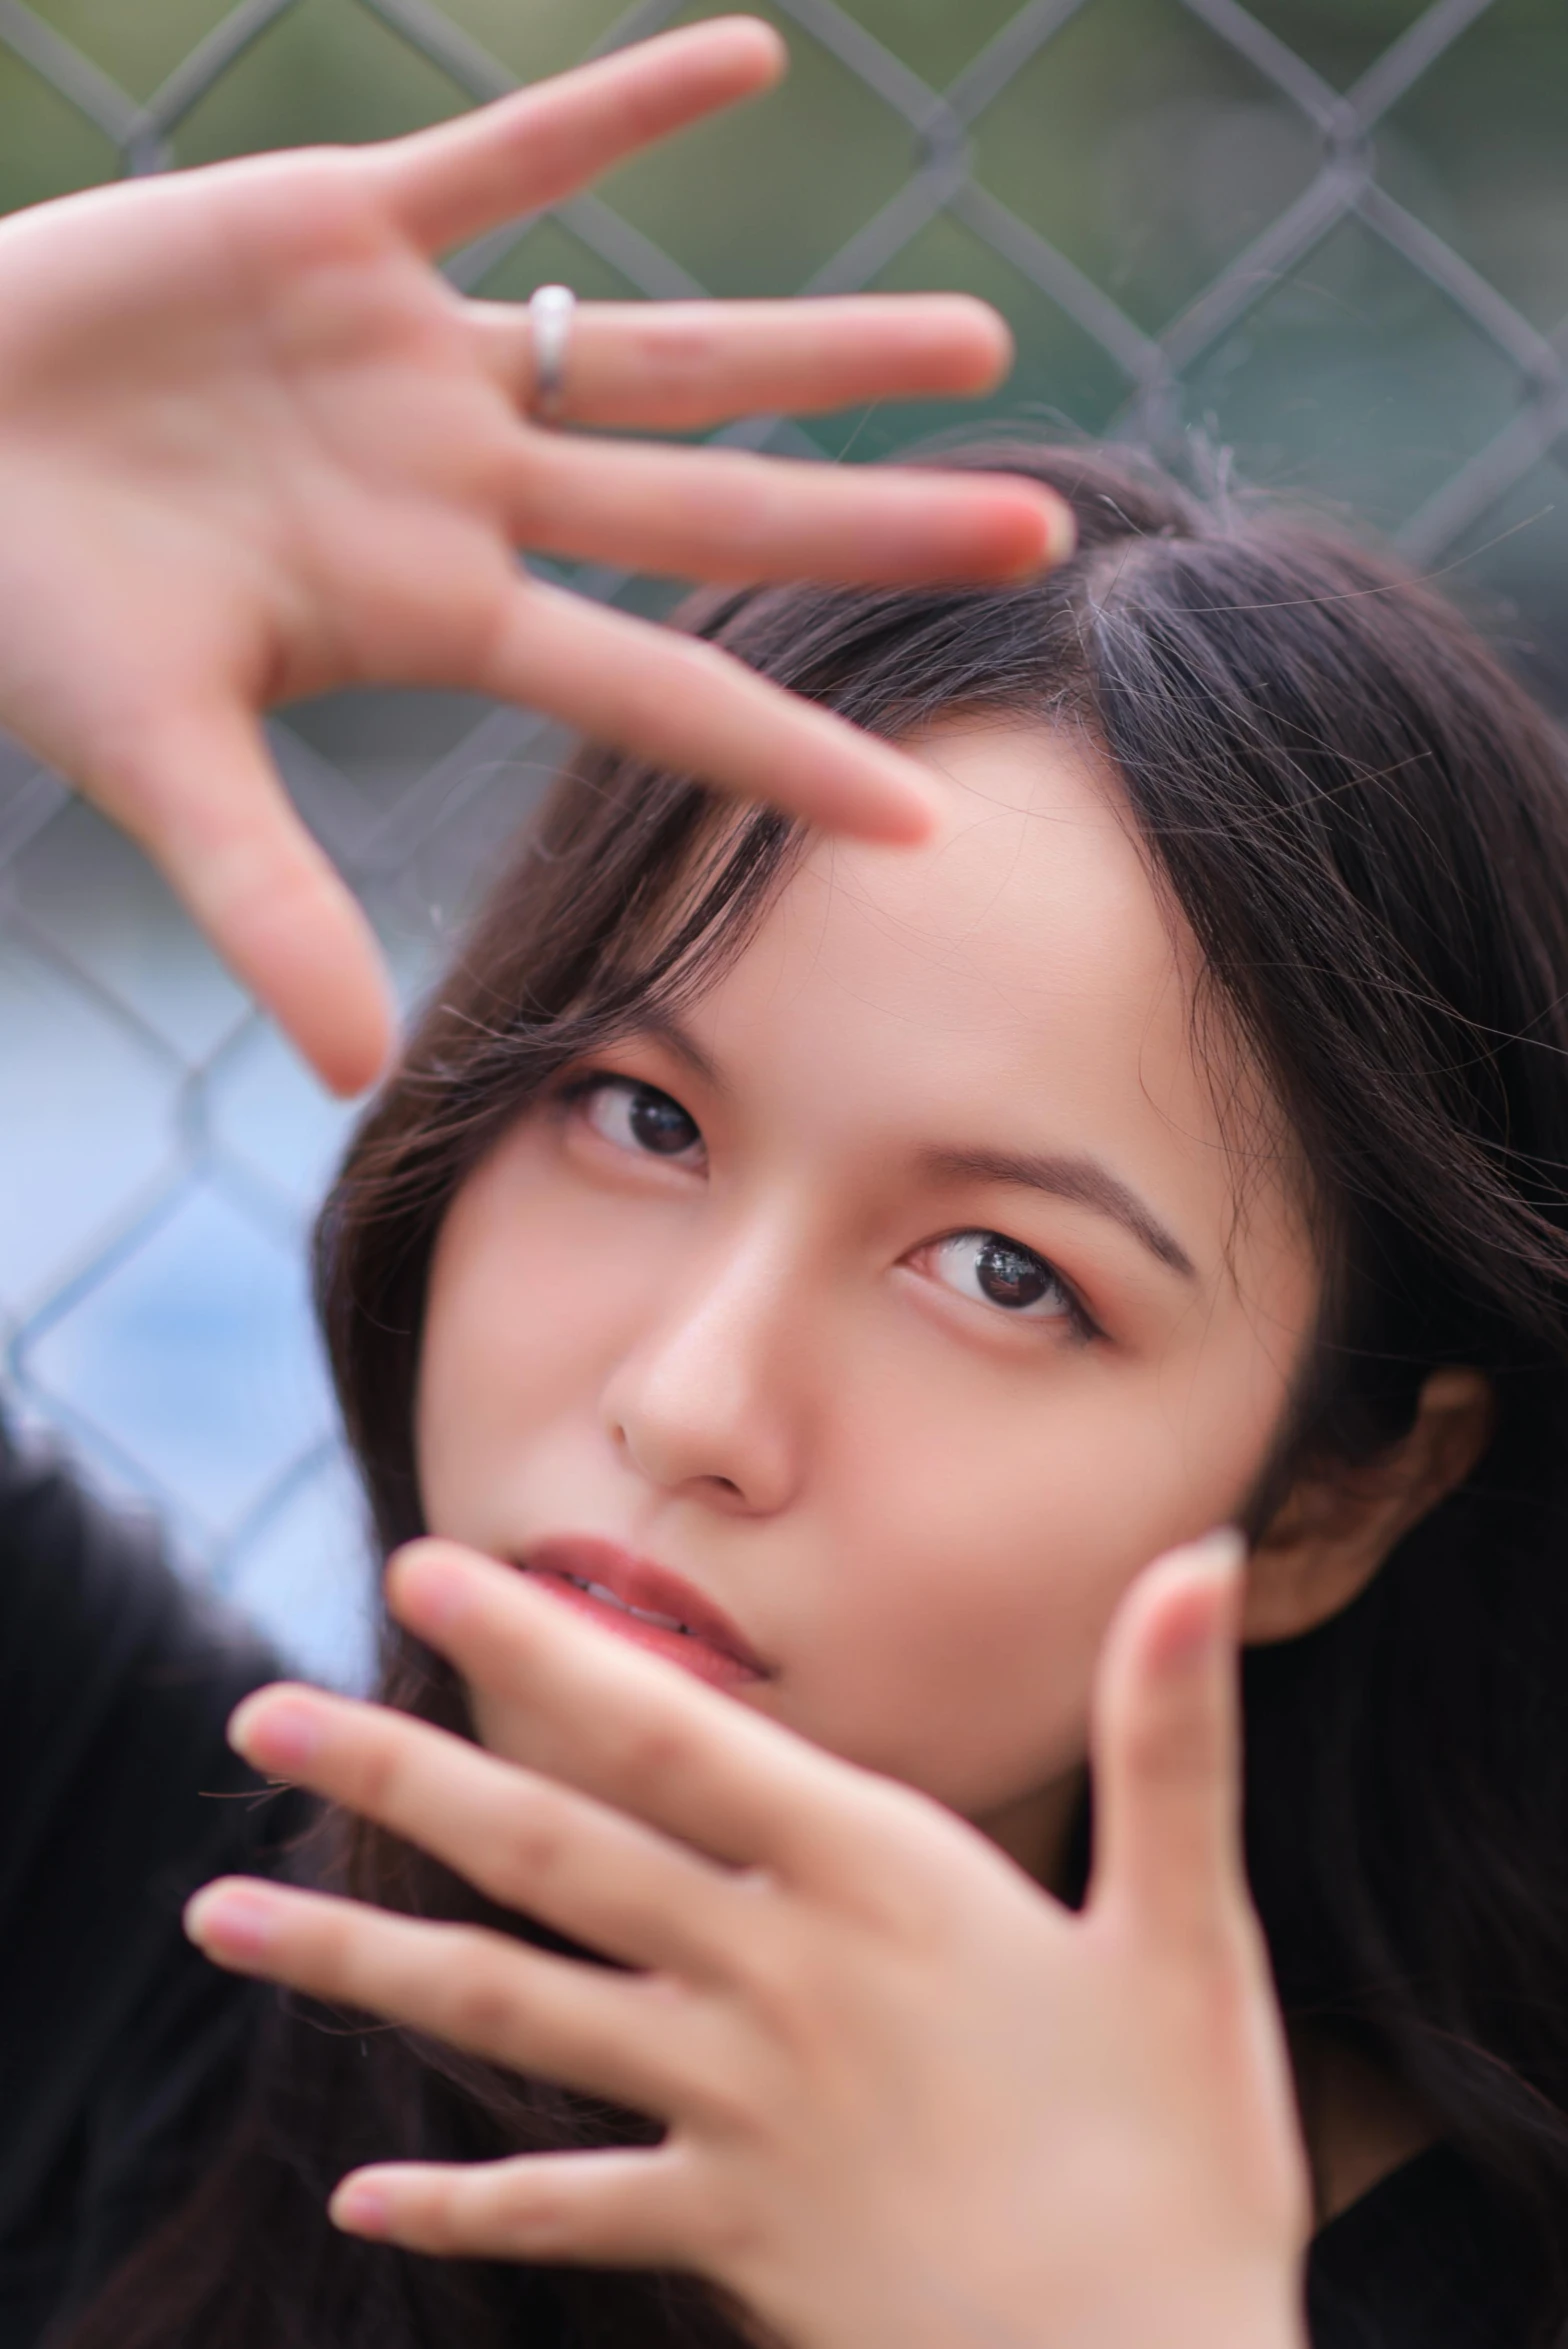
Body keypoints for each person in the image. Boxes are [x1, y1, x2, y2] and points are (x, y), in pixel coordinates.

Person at [2, 25, 1561, 2349]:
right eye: (641, 1119)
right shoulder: (156, 1924)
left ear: (1335, 1495)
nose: (694, 1394)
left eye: (1001, 1270)